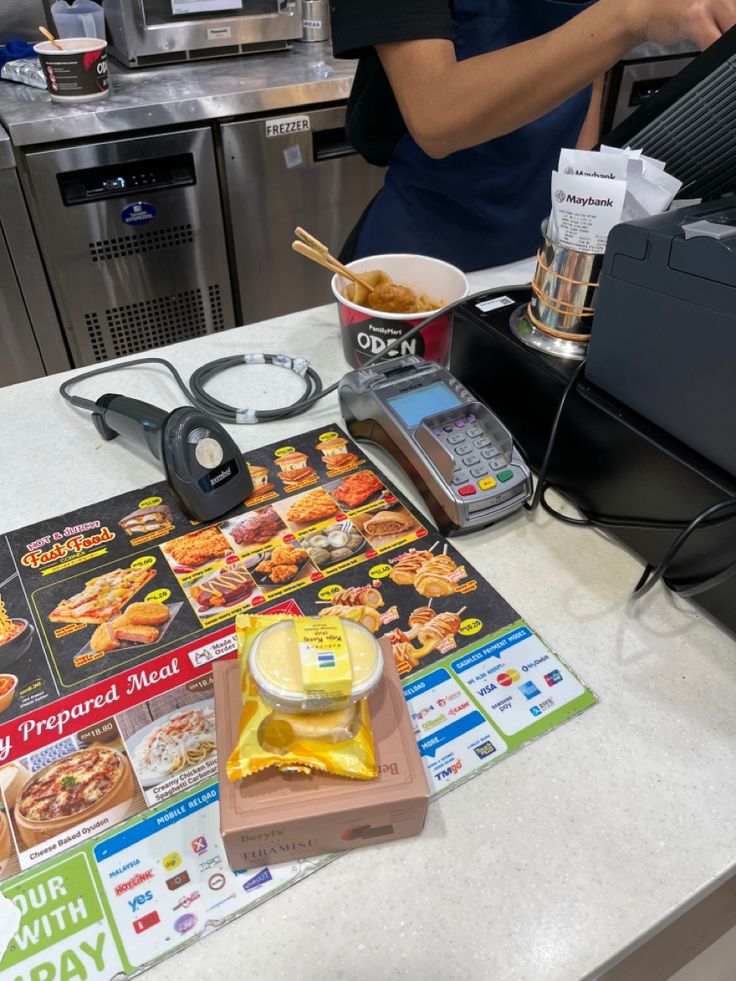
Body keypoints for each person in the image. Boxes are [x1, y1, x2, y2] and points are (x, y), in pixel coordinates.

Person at [331, 0, 736, 270]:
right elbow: (436, 115)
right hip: (426, 245)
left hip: (542, 246)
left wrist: (571, 223)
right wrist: (629, 15)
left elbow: (588, 71)